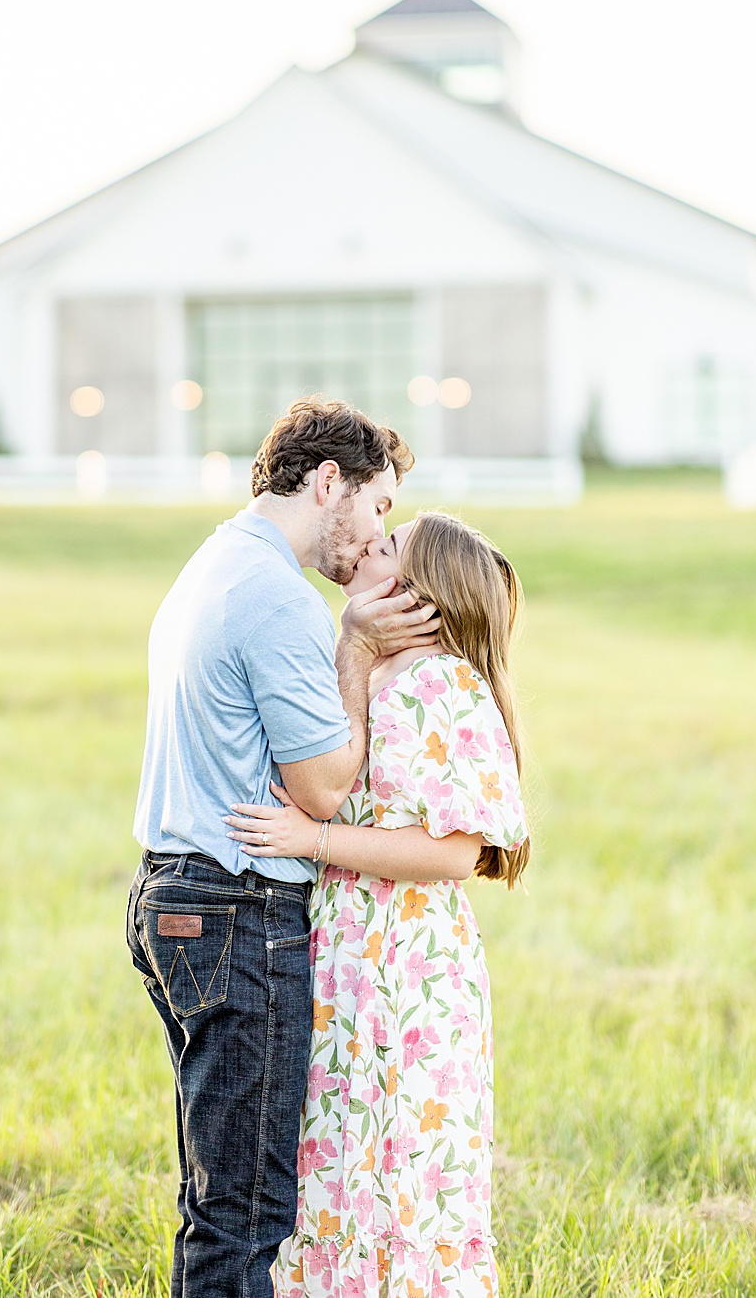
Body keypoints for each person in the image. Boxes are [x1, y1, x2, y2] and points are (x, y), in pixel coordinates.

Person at [124, 396, 439, 1297]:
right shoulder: (278, 597)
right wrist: (353, 647)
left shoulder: (215, 561)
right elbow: (324, 787)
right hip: (236, 910)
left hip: (177, 893)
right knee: (248, 1213)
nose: (378, 532)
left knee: (221, 1194)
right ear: (329, 480)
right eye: (378, 506)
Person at [226, 510, 531, 1298]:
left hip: (404, 965)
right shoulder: (373, 670)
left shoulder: (444, 686)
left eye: (386, 547)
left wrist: (311, 840)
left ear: (413, 594)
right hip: (343, 948)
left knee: (395, 1158)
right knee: (333, 1152)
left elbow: (455, 853)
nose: (367, 545)